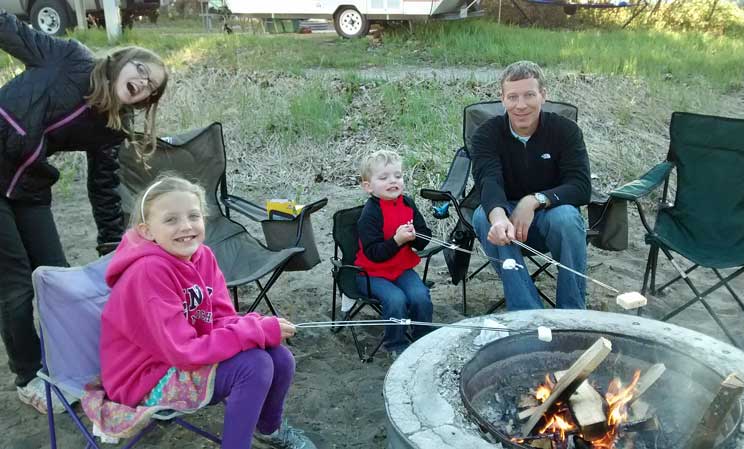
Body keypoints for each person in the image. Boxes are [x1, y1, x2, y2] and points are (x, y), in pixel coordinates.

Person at [0, 11, 168, 413]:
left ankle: (65, 368)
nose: (143, 82)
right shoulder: (69, 58)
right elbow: (11, 31)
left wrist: (113, 246)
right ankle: (29, 376)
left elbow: (104, 188)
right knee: (18, 284)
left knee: (57, 278)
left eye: (151, 86)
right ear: (123, 59)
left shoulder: (112, 126)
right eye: (142, 69)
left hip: (29, 186)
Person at [84, 175, 316, 449]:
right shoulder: (147, 273)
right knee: (254, 366)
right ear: (147, 231)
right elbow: (182, 352)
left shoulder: (202, 256)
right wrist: (252, 331)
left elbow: (220, 319)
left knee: (280, 357)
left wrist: (258, 324)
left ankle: (268, 430)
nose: (186, 227)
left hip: (181, 356)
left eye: (193, 216)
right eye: (171, 220)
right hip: (143, 378)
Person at [471, 61, 591, 310]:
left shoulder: (566, 131)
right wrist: (499, 217)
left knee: (567, 217)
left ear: (543, 95)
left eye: (529, 95)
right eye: (512, 97)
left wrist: (534, 200)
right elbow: (488, 180)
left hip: (551, 216)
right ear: (502, 99)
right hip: (508, 220)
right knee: (483, 217)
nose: (521, 105)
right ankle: (527, 314)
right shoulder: (487, 133)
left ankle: (572, 313)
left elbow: (580, 187)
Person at [354, 150, 434, 356]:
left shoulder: (408, 204)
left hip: (400, 269)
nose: (393, 181)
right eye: (384, 178)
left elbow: (424, 240)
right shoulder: (370, 213)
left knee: (420, 296)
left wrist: (415, 236)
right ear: (368, 186)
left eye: (397, 176)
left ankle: (423, 338)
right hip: (371, 273)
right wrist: (397, 241)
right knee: (396, 299)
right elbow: (373, 253)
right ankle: (396, 345)